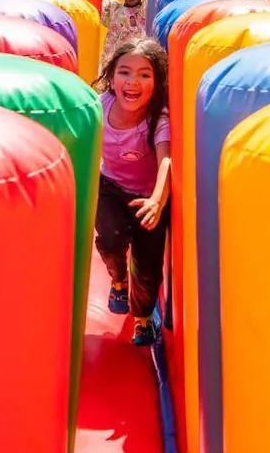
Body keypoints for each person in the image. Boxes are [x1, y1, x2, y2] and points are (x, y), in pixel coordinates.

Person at [93, 38, 172, 347]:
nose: (133, 82)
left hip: (148, 197)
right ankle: (117, 279)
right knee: (110, 240)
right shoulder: (101, 106)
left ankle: (142, 316)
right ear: (111, 76)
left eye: (144, 74)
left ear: (157, 82)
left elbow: (166, 159)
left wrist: (156, 200)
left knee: (148, 263)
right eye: (125, 72)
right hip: (110, 186)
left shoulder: (157, 118)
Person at [100, 0, 155, 71]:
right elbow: (94, 7)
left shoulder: (146, 11)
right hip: (112, 64)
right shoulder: (113, 9)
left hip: (136, 63)